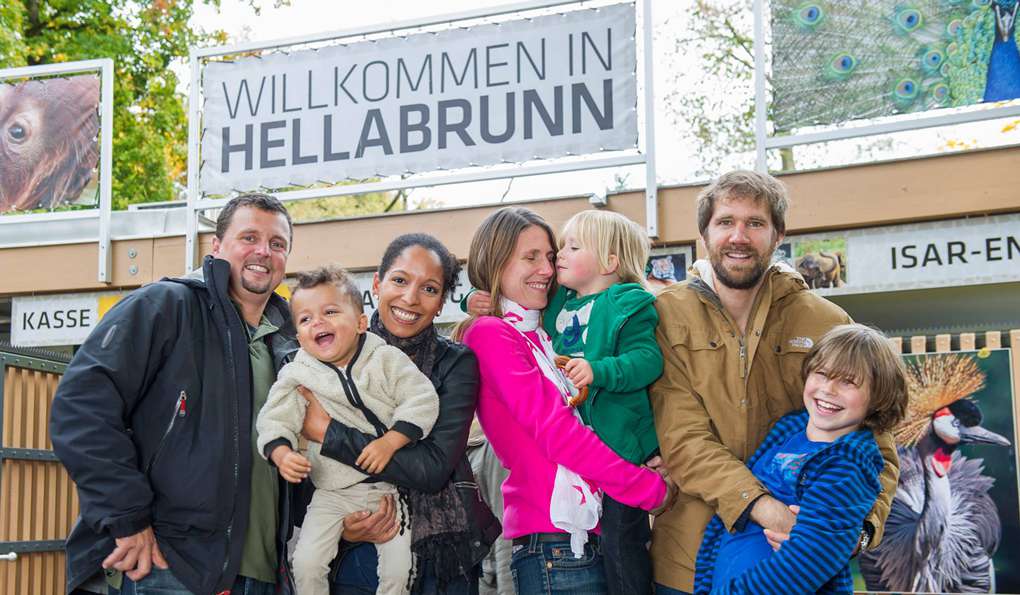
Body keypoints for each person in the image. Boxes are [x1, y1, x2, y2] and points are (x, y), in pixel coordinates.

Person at [649, 170, 900, 594]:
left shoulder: (825, 320)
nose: (739, 236)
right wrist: (763, 507)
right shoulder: (665, 315)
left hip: (798, 563)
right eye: (726, 222)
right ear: (704, 233)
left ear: (778, 234)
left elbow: (879, 447)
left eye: (755, 223)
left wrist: (854, 533)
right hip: (687, 563)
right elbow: (683, 437)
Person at [50, 193, 299, 595]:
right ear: (216, 247)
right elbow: (81, 407)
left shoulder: (291, 341)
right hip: (165, 564)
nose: (263, 252)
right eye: (248, 237)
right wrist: (126, 517)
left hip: (262, 572)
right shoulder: (166, 306)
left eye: (277, 243)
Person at [457, 206, 672, 595]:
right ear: (496, 261)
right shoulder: (491, 333)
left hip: (591, 530)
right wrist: (648, 488)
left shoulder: (540, 332)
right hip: (555, 544)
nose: (547, 269)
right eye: (531, 257)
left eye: (551, 257)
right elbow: (557, 432)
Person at [298, 233, 501, 594]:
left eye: (429, 289)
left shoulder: (455, 363)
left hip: (443, 560)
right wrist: (343, 525)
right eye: (400, 280)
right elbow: (298, 470)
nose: (410, 298)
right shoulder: (323, 353)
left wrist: (330, 433)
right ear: (377, 284)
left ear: (442, 303)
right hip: (357, 551)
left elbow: (432, 469)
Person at [257, 265, 440, 595]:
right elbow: (275, 417)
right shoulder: (298, 374)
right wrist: (282, 453)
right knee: (307, 563)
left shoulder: (385, 358)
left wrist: (391, 442)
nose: (318, 323)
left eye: (330, 311)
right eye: (306, 319)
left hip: (389, 489)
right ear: (299, 337)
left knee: (399, 572)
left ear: (360, 322)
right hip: (331, 493)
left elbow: (422, 399)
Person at [693, 324, 908, 594]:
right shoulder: (787, 433)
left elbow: (806, 563)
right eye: (821, 373)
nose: (829, 389)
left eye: (848, 382)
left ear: (878, 397)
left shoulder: (849, 466)